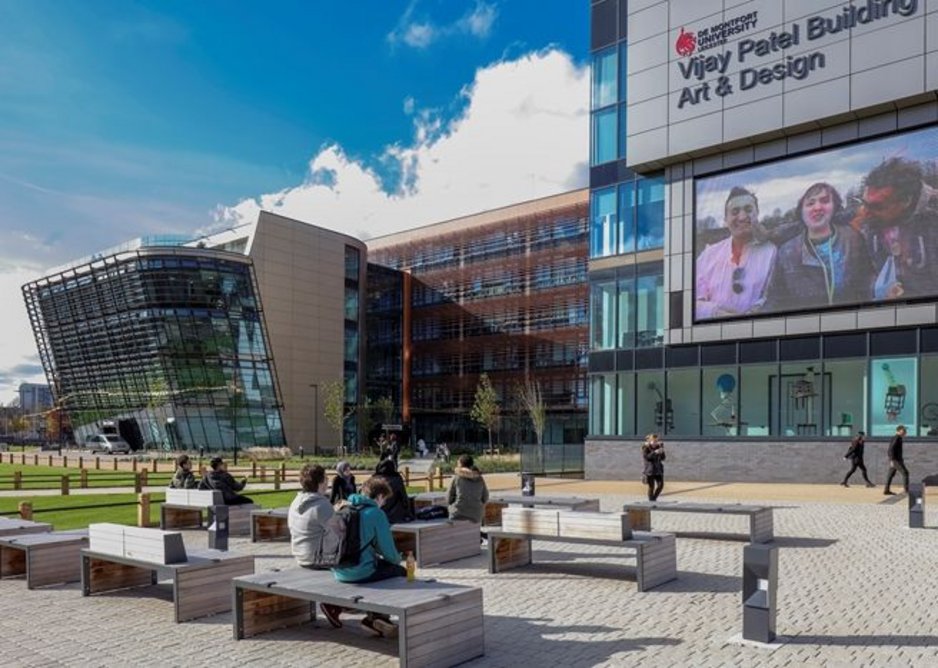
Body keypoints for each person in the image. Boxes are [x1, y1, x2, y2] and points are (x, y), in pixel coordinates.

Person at [766, 183, 874, 312]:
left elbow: (868, 284)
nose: (817, 207)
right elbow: (775, 300)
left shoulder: (853, 239)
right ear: (801, 211)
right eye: (810, 203)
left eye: (825, 201)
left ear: (835, 207)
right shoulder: (786, 252)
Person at [850, 158, 938, 301]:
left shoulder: (933, 224)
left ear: (906, 201)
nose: (865, 212)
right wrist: (876, 289)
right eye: (864, 203)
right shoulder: (865, 228)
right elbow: (861, 278)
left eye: (877, 207)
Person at [329, 477, 404, 637]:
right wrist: (399, 560)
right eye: (384, 500)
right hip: (361, 571)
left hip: (338, 570)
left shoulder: (343, 507)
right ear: (380, 497)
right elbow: (389, 553)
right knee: (398, 572)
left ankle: (370, 616)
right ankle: (377, 617)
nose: (384, 504)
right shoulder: (376, 513)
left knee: (379, 569)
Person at [696, 186, 777, 319]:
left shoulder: (771, 253)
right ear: (725, 219)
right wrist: (715, 312)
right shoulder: (708, 255)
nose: (742, 217)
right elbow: (690, 304)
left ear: (757, 214)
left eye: (748, 210)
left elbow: (773, 300)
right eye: (735, 212)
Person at [447, 454, 490, 523]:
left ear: (460, 464)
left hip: (458, 513)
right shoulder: (479, 478)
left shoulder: (457, 478)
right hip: (476, 515)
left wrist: (452, 506)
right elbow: (485, 497)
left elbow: (449, 497)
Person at [374, 458, 413, 523]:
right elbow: (403, 497)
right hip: (393, 514)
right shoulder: (396, 479)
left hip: (376, 512)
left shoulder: (373, 479)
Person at [883, 425, 910, 495]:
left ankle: (886, 490)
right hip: (896, 460)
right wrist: (892, 460)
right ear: (899, 431)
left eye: (905, 431)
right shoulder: (897, 438)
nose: (905, 432)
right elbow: (891, 449)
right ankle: (906, 490)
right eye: (904, 431)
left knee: (890, 474)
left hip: (896, 459)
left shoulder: (898, 438)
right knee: (905, 473)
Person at [641, 434, 666, 501]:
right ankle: (651, 500)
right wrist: (655, 452)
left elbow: (663, 458)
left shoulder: (659, 447)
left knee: (660, 486)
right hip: (650, 470)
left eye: (656, 441)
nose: (655, 443)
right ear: (650, 441)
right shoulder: (645, 448)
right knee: (651, 487)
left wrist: (662, 452)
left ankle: (653, 499)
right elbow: (647, 457)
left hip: (658, 470)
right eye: (654, 441)